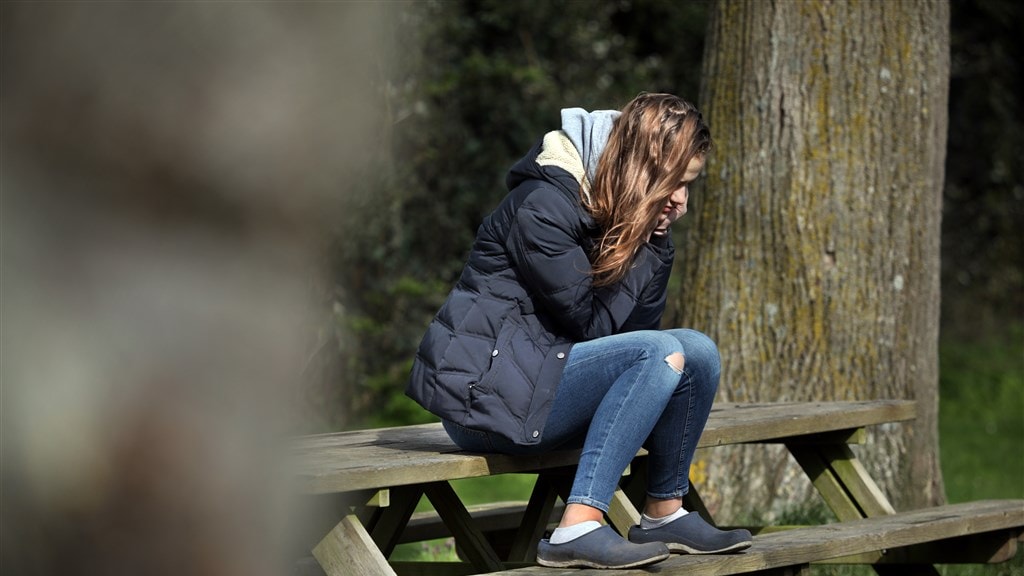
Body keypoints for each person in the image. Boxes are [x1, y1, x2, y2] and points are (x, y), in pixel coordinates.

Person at [406, 92, 752, 569]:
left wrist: (652, 244)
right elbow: (592, 328)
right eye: (671, 181)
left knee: (697, 351)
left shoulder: (633, 222)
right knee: (659, 351)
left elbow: (636, 335)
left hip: (544, 386)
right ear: (635, 165)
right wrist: (644, 246)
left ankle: (664, 512)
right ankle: (578, 526)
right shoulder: (543, 206)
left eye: (688, 185)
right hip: (483, 404)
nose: (679, 200)